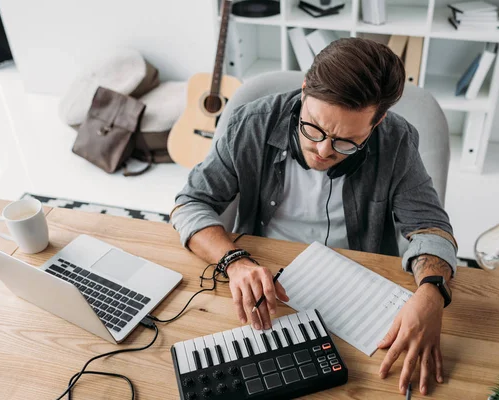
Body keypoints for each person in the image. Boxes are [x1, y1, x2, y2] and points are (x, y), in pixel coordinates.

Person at [171, 38, 458, 396]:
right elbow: (189, 204)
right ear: (305, 90)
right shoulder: (251, 124)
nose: (323, 151)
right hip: (265, 282)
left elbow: (430, 227)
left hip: (357, 293)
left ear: (377, 120)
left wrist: (432, 291)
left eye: (346, 141)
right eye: (313, 129)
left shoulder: (396, 140)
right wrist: (235, 261)